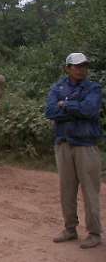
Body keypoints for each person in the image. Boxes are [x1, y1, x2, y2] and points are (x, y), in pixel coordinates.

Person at [45, 52, 103, 249]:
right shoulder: (57, 87)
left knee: (90, 191)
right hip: (63, 144)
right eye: (77, 66)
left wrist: (65, 104)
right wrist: (74, 107)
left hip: (86, 145)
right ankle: (70, 229)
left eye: (84, 66)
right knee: (66, 190)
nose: (81, 69)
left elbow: (90, 110)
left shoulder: (93, 87)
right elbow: (50, 111)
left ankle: (94, 233)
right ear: (67, 68)